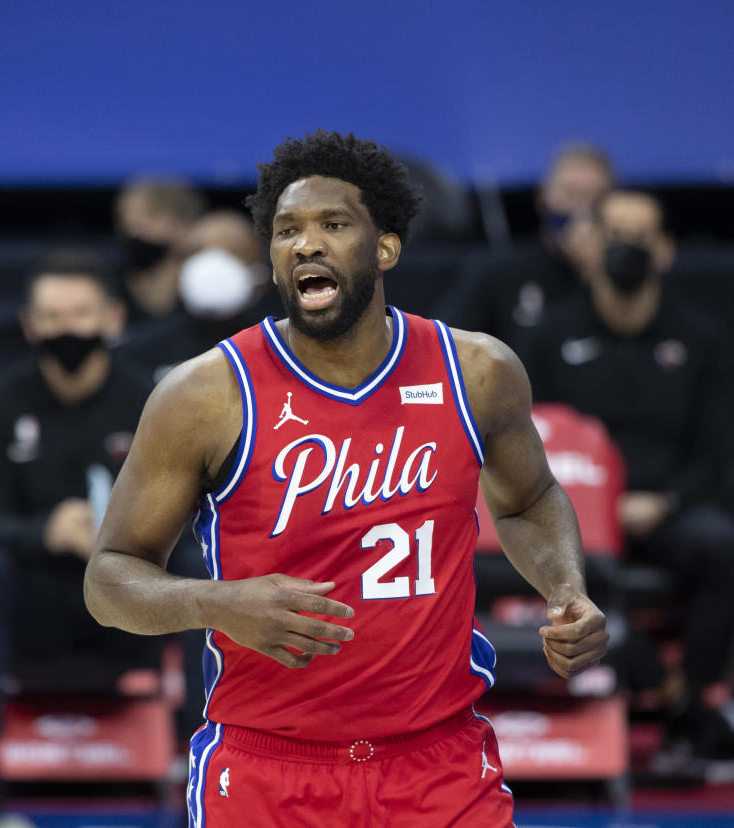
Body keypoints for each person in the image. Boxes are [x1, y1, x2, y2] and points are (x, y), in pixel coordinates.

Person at [83, 130, 609, 827]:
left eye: (332, 224)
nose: (306, 244)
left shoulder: (477, 373)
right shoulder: (204, 396)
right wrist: (219, 603)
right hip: (270, 770)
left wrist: (566, 587)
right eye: (286, 231)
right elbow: (109, 579)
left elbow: (530, 499)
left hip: (439, 763)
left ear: (385, 247)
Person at [523, 189, 734, 767]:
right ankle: (671, 703)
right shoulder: (548, 339)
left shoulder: (701, 338)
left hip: (667, 507)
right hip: (576, 510)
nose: (626, 249)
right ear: (590, 244)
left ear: (665, 251)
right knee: (547, 564)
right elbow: (525, 447)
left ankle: (692, 695)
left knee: (724, 549)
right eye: (614, 234)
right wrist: (589, 508)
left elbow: (715, 450)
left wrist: (664, 503)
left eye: (640, 237)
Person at [0, 251, 160, 826]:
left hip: (129, 603)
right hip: (37, 604)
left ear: (113, 318)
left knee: (202, 566)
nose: (65, 329)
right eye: (50, 316)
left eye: (79, 313)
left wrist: (118, 535)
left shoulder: (154, 400)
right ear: (29, 324)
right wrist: (49, 530)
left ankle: (200, 766)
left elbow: (189, 513)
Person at [440, 143, 615, 355]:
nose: (582, 213)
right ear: (542, 198)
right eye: (570, 194)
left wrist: (597, 273)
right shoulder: (498, 271)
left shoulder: (626, 273)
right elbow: (448, 346)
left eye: (596, 199)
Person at [119, 209, 274, 382]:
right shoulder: (140, 353)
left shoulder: (286, 349)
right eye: (198, 250)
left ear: (260, 269)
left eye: (232, 250)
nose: (213, 263)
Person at [114, 176, 206, 329]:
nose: (134, 227)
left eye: (150, 215)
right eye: (126, 217)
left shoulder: (205, 273)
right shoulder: (117, 275)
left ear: (182, 220)